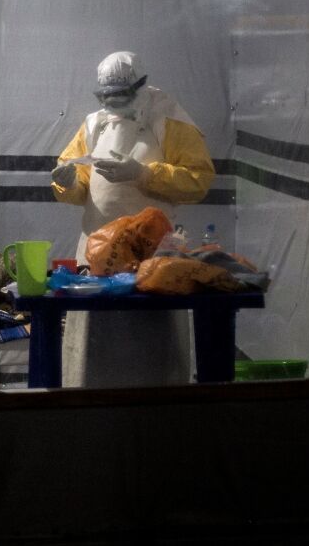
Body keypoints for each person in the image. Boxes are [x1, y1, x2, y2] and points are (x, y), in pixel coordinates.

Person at [50, 51, 215, 387]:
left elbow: (198, 181)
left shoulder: (170, 120)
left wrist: (143, 174)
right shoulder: (95, 124)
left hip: (151, 259)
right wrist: (67, 183)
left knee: (154, 354)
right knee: (93, 358)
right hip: (96, 257)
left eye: (120, 96)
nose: (112, 103)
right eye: (105, 97)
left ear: (141, 87)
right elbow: (75, 175)